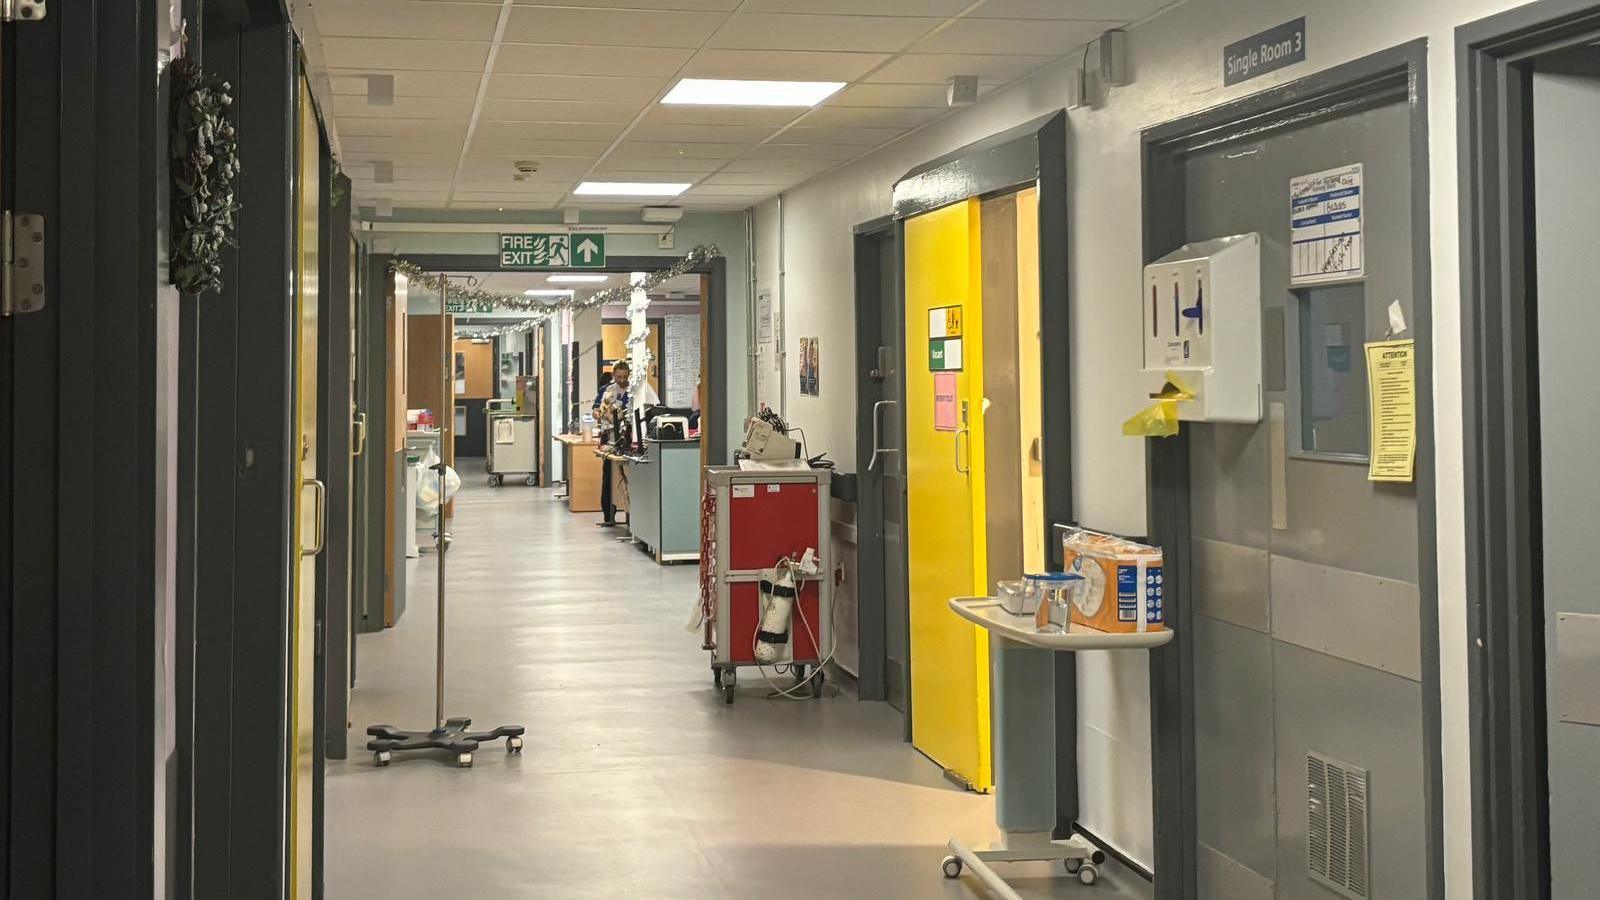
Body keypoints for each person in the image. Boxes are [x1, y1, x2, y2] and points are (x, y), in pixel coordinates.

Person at [594, 361, 658, 527]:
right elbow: (595, 411)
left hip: (631, 434)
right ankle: (608, 513)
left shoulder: (636, 390)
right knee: (609, 475)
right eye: (618, 377)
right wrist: (604, 415)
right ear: (613, 375)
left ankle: (633, 515)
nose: (622, 380)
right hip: (611, 437)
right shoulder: (606, 391)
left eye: (624, 377)